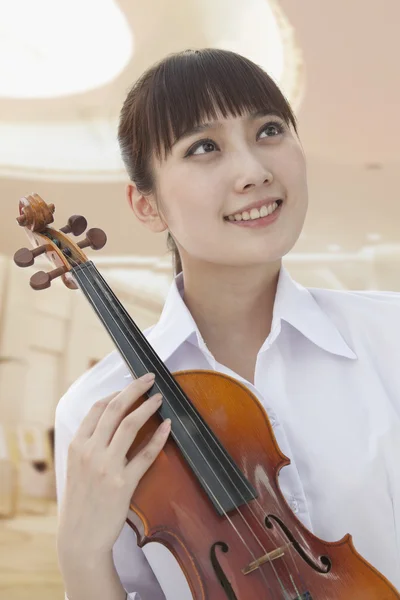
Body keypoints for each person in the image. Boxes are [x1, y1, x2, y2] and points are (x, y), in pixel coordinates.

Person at [54, 48, 400, 600]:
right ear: (147, 207)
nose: (254, 171)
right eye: (204, 147)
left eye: (269, 130)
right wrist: (79, 552)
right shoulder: (101, 412)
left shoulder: (391, 336)